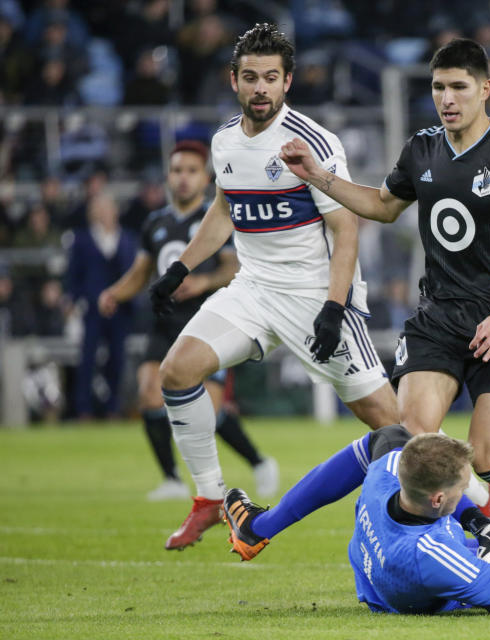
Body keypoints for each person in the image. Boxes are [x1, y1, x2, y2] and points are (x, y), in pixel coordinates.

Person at [276, 39, 490, 580]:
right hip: (439, 319)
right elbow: (384, 207)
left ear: (485, 89)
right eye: (438, 87)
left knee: (486, 456)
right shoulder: (423, 148)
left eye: (459, 87)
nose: (447, 98)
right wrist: (317, 175)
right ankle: (469, 534)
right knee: (413, 437)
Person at [148, 24, 400, 551]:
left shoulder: (312, 143)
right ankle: (211, 499)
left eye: (270, 78)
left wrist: (334, 307)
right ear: (233, 80)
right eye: (250, 77)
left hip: (316, 296)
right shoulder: (223, 141)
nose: (260, 88)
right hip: (254, 289)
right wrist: (182, 269)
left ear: (287, 82)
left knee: (395, 427)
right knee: (175, 372)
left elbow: (345, 228)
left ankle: (474, 502)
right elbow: (225, 209)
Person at [224, 427, 490, 614]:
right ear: (439, 497)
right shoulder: (435, 556)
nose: (468, 492)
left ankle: (258, 529)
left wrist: (481, 523)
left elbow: (390, 440)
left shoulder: (384, 479)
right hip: (407, 586)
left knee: (390, 433)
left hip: (376, 556)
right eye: (463, 487)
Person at [98, 140, 278, 502]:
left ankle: (259, 461)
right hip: (163, 322)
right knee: (149, 394)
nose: (183, 178)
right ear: (168, 175)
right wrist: (115, 293)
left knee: (207, 413)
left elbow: (232, 268)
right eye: (177, 170)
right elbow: (141, 272)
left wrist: (202, 281)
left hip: (208, 321)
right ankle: (171, 479)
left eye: (191, 171)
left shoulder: (216, 217)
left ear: (206, 178)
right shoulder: (156, 222)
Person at [64, 192, 138, 418]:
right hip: (92, 308)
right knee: (87, 358)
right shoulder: (82, 239)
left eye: (109, 208)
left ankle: (113, 407)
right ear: (93, 213)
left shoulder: (127, 238)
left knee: (117, 358)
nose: (105, 213)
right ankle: (83, 408)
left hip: (120, 307)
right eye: (100, 209)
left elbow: (135, 273)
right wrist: (72, 298)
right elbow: (73, 274)